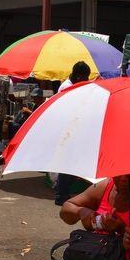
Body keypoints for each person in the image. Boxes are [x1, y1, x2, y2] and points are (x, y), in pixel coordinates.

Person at [55, 61, 92, 204]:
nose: (86, 81)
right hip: (68, 128)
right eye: (85, 77)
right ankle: (61, 195)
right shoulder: (67, 87)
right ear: (78, 76)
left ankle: (63, 193)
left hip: (72, 127)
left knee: (71, 161)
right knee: (67, 163)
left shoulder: (72, 85)